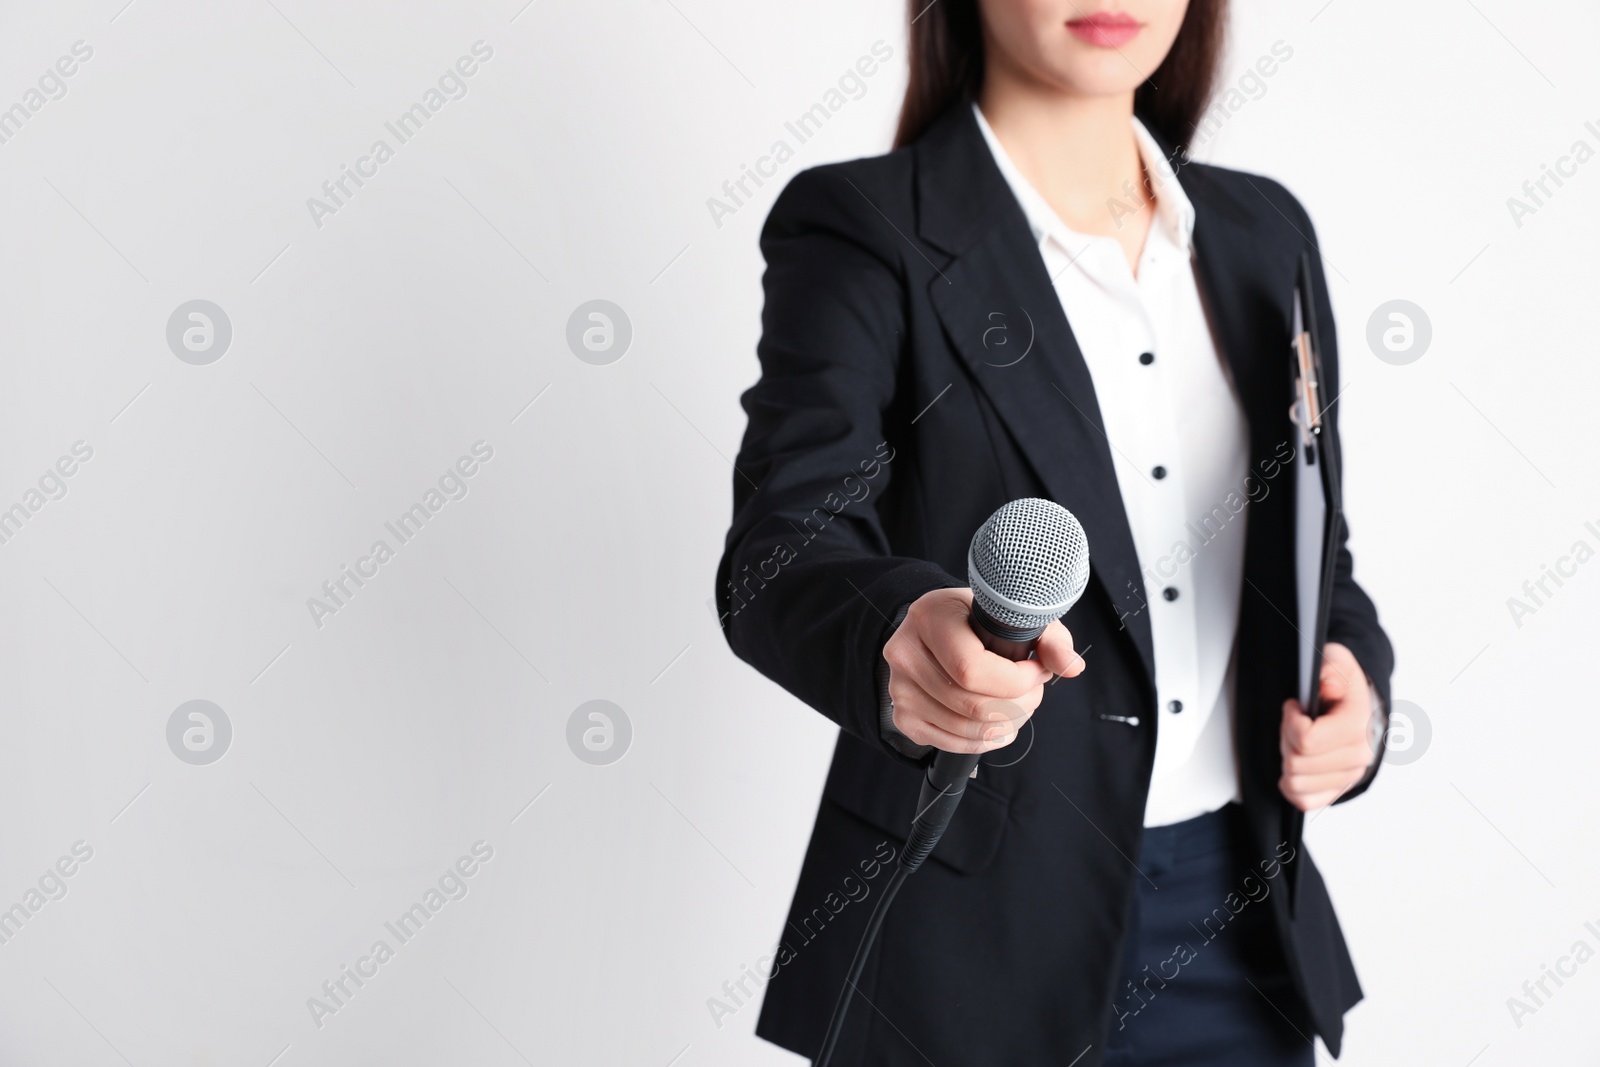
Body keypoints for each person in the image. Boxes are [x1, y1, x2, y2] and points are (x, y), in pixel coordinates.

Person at [716, 1, 1393, 1063]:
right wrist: (900, 627)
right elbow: (780, 551)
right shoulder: (861, 224)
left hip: (1240, 924)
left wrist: (1353, 674)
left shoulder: (1266, 233)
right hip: (962, 944)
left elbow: (1314, 544)